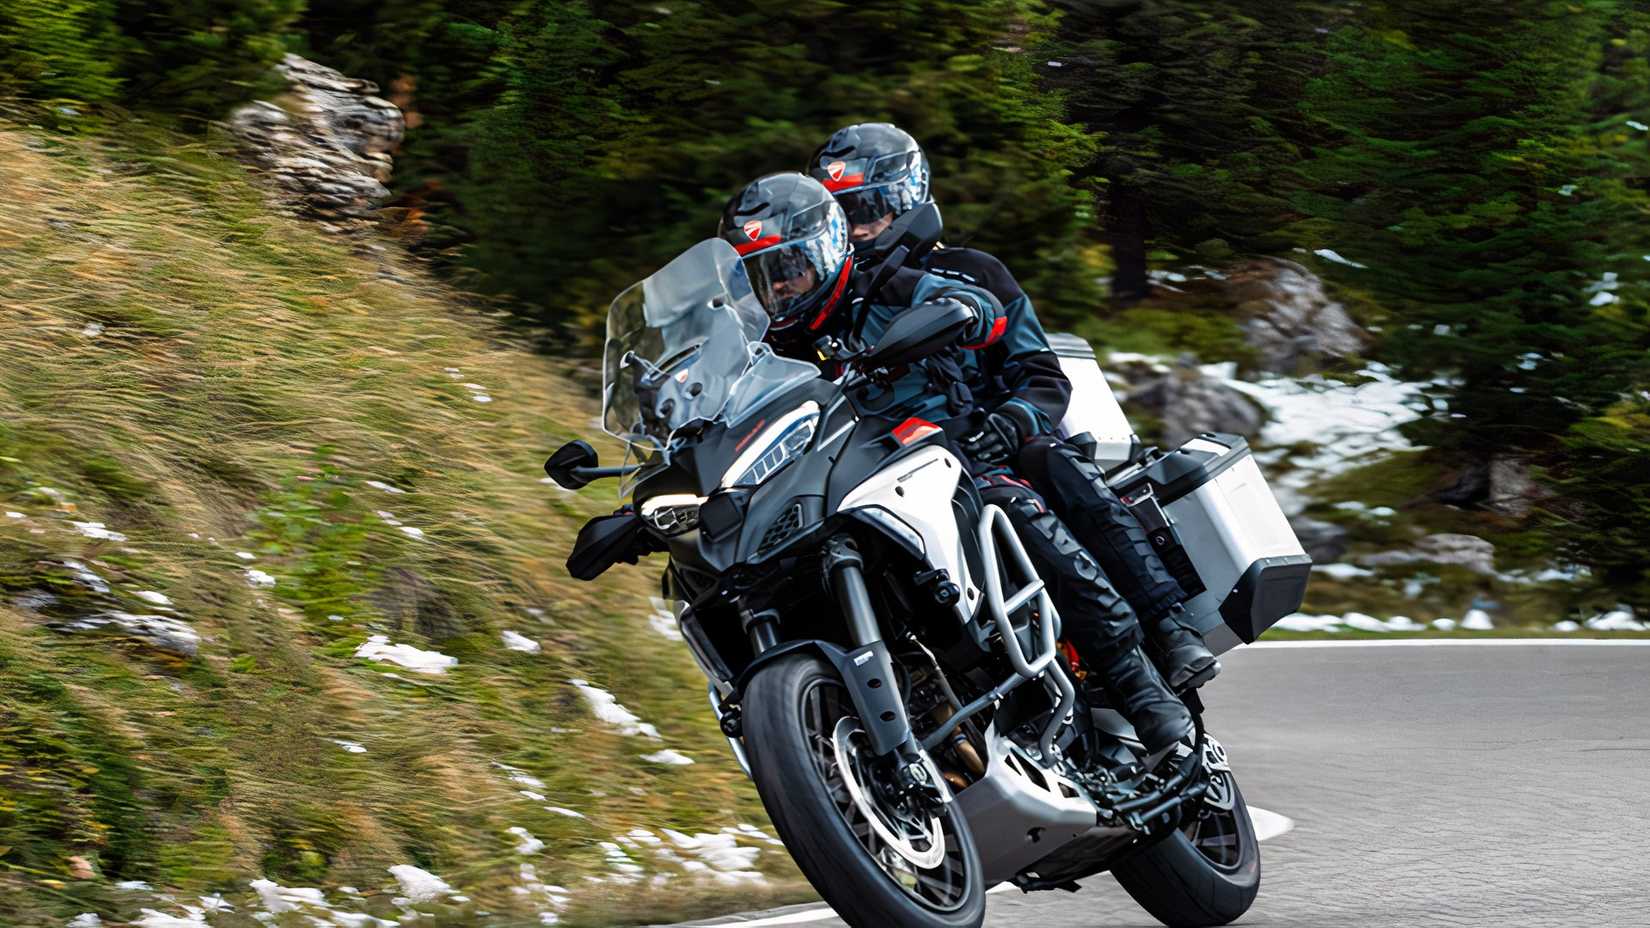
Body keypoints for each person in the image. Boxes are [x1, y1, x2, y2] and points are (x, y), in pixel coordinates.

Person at [719, 171, 1194, 758]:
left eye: (789, 268)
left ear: (822, 251)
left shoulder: (886, 287)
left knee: (1009, 503)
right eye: (763, 276)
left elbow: (982, 312)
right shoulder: (766, 351)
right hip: (844, 485)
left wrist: (965, 309)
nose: (779, 287)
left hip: (944, 460)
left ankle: (1139, 682)